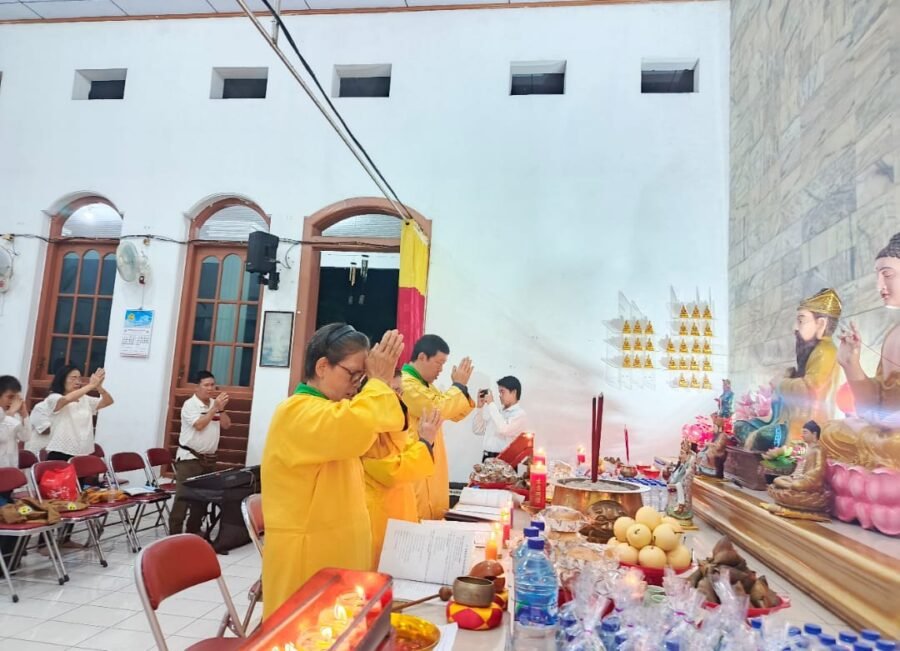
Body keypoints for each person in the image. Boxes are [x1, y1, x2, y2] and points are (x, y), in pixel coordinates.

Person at [261, 325, 406, 621]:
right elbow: (357, 426)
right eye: (353, 374)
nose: (356, 385)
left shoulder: (335, 409)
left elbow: (384, 425)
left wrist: (378, 385)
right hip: (307, 560)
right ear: (322, 366)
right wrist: (379, 381)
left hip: (338, 550)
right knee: (305, 631)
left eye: (361, 378)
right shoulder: (296, 412)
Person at [822, 232, 900, 470]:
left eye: (887, 274)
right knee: (831, 432)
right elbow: (877, 402)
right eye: (877, 276)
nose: (879, 286)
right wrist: (851, 364)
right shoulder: (893, 334)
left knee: (890, 444)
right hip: (887, 434)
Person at [736, 288, 842, 451]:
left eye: (801, 321)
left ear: (821, 324)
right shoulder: (813, 351)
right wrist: (790, 375)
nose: (795, 327)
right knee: (740, 426)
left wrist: (781, 383)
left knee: (762, 437)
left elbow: (810, 390)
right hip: (786, 421)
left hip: (804, 428)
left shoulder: (826, 352)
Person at [362, 371, 440, 568]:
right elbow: (392, 471)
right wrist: (426, 442)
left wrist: (424, 440)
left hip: (399, 513)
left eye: (400, 392)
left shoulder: (393, 428)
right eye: (394, 391)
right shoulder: (368, 429)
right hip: (379, 518)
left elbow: (409, 449)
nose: (399, 399)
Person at [401, 334, 475, 520]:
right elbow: (438, 409)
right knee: (416, 521)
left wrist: (462, 391)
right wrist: (458, 386)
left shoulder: (426, 386)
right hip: (415, 460)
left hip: (430, 460)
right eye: (439, 363)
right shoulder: (405, 383)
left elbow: (454, 414)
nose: (441, 369)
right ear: (422, 357)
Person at [168, 371, 230, 536]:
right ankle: (174, 534)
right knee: (183, 498)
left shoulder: (215, 404)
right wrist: (214, 409)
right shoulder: (190, 405)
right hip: (189, 459)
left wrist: (221, 410)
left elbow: (226, 425)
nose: (210, 388)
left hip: (209, 459)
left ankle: (193, 529)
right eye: (206, 385)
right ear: (197, 387)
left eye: (212, 385)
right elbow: (199, 425)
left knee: (203, 498)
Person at [44, 365, 114, 461]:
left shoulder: (84, 399)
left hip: (81, 452)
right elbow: (66, 399)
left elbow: (108, 402)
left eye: (79, 378)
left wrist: (99, 388)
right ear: (62, 379)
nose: (78, 382)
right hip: (60, 451)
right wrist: (91, 385)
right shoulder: (53, 397)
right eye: (73, 378)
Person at [769, 421, 832, 513]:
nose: (802, 435)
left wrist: (805, 476)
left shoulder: (819, 450)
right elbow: (799, 466)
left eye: (805, 432)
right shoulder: (804, 449)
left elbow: (820, 469)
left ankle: (791, 490)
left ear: (814, 434)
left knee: (797, 485)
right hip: (799, 478)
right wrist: (795, 474)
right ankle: (791, 489)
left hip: (810, 480)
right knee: (777, 480)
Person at [472, 376, 527, 461]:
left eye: (502, 392)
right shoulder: (499, 413)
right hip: (487, 458)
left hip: (504, 460)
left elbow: (504, 429)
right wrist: (480, 408)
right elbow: (478, 429)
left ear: (514, 392)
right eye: (499, 392)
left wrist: (491, 404)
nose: (500, 396)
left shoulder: (520, 415)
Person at [0, 375, 31, 469]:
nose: (12, 402)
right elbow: (2, 436)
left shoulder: (13, 416)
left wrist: (24, 415)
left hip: (10, 465)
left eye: (16, 398)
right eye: (10, 397)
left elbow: (25, 437)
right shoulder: (8, 414)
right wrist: (11, 412)